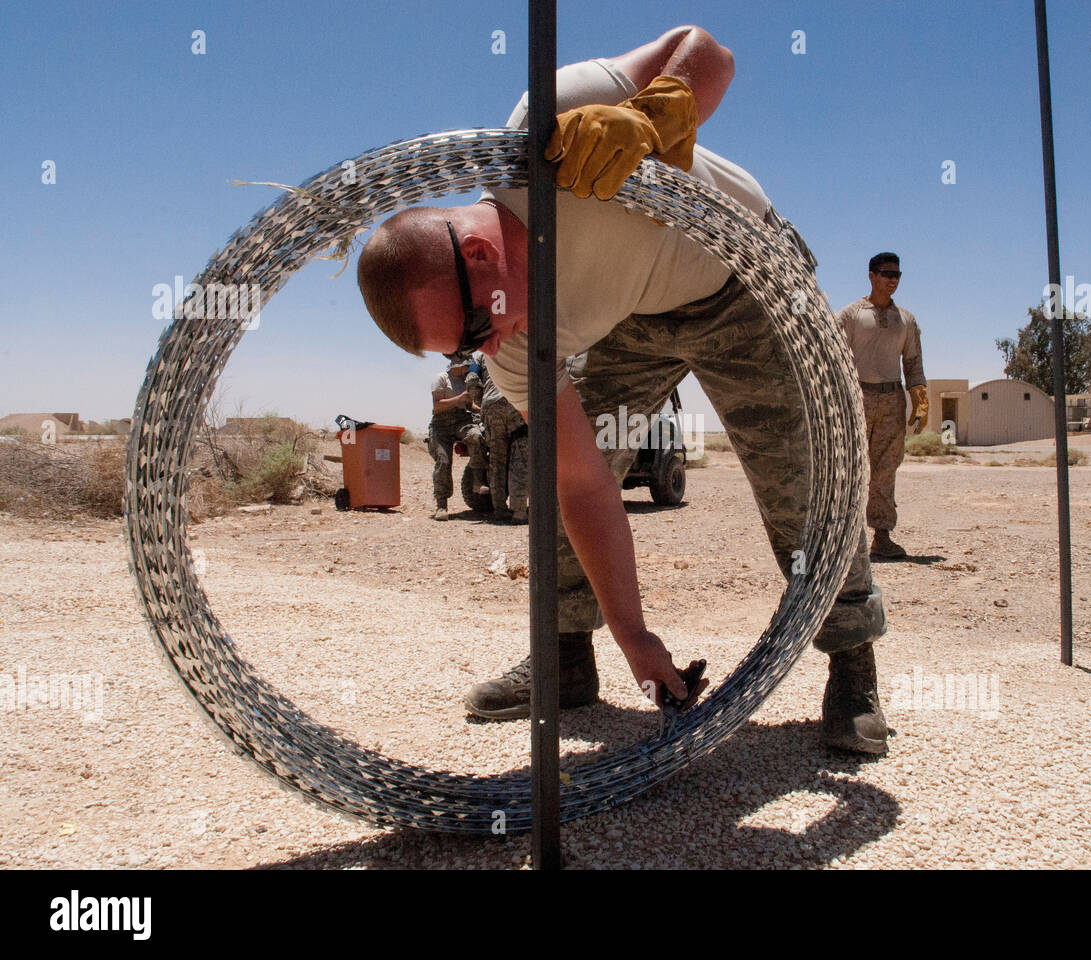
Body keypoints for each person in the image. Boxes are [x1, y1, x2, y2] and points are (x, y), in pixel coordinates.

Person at [356, 26, 890, 753]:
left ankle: (853, 666)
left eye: (476, 324)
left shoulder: (553, 126)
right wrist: (634, 633)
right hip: (635, 317)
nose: (483, 351)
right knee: (559, 478)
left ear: (478, 253)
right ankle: (567, 657)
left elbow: (710, 52)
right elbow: (584, 485)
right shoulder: (512, 345)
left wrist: (655, 111)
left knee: (805, 478)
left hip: (745, 285)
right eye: (459, 347)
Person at [837, 252, 928, 559]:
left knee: (886, 469)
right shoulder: (850, 315)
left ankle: (882, 536)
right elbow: (834, 357)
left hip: (892, 399)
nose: (893, 280)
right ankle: (845, 537)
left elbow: (913, 362)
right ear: (871, 275)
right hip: (857, 397)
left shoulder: (906, 319)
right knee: (849, 466)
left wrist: (920, 399)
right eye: (887, 274)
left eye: (897, 275)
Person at [428, 355, 487, 521]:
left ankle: (478, 480)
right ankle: (441, 505)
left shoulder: (464, 381)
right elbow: (437, 405)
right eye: (466, 367)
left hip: (462, 420)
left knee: (475, 436)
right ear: (459, 366)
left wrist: (483, 410)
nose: (468, 370)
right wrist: (458, 399)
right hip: (441, 424)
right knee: (443, 461)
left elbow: (469, 406)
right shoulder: (441, 379)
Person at [479, 366, 529, 522]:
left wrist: (479, 402)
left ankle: (499, 509)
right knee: (520, 455)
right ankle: (519, 512)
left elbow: (472, 379)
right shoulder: (519, 344)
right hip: (514, 401)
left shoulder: (481, 353)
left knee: (496, 460)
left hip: (490, 407)